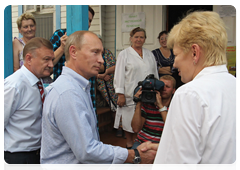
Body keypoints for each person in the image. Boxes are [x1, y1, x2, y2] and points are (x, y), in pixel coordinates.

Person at [40, 31, 157, 170]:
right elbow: (87, 151)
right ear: (73, 52)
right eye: (95, 52)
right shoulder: (68, 93)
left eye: (101, 53)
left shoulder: (78, 87)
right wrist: (134, 155)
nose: (101, 60)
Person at [151, 11, 238, 170]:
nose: (174, 64)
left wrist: (169, 154)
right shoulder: (235, 85)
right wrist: (167, 149)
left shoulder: (189, 94)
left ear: (194, 52)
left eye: (176, 55)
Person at [4, 37, 54, 170]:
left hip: (37, 156)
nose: (51, 65)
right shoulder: (14, 85)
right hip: (17, 159)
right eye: (46, 59)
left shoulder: (40, 82)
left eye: (52, 60)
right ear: (29, 58)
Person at [116, 75, 176, 170]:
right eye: (161, 85)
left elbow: (173, 127)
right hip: (142, 143)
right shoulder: (148, 103)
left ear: (173, 91)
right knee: (122, 168)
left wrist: (160, 106)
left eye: (167, 87)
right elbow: (135, 128)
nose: (163, 89)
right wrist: (139, 103)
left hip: (162, 146)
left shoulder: (176, 106)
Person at [114, 27, 159, 149]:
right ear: (131, 38)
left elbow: (155, 73)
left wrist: (156, 88)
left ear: (145, 39)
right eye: (136, 37)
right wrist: (120, 94)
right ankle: (129, 142)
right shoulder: (124, 54)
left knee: (144, 118)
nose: (139, 39)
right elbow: (119, 74)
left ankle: (141, 141)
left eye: (142, 37)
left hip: (148, 93)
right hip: (130, 93)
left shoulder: (149, 54)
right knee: (129, 119)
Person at [13, 12, 53, 86]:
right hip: (28, 84)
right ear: (19, 29)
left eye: (32, 26)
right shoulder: (17, 43)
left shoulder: (40, 42)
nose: (29, 29)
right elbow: (16, 68)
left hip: (45, 82)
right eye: (25, 27)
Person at [96, 35, 118, 110]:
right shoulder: (91, 54)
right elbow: (87, 70)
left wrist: (106, 72)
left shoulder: (107, 52)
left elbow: (116, 66)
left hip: (110, 81)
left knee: (115, 104)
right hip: (98, 84)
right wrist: (100, 76)